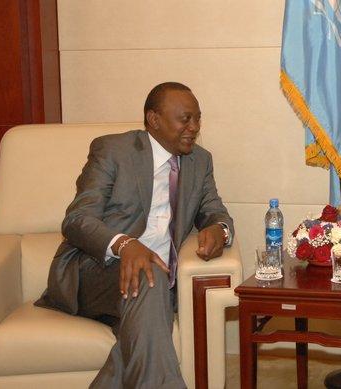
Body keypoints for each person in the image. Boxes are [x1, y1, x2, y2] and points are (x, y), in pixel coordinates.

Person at [35, 82, 234, 389]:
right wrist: (125, 244)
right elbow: (76, 220)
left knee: (148, 304)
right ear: (154, 120)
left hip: (156, 283)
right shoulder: (113, 150)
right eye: (185, 119)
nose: (194, 127)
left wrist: (219, 230)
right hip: (97, 273)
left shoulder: (199, 161)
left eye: (197, 119)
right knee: (149, 275)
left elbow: (214, 211)